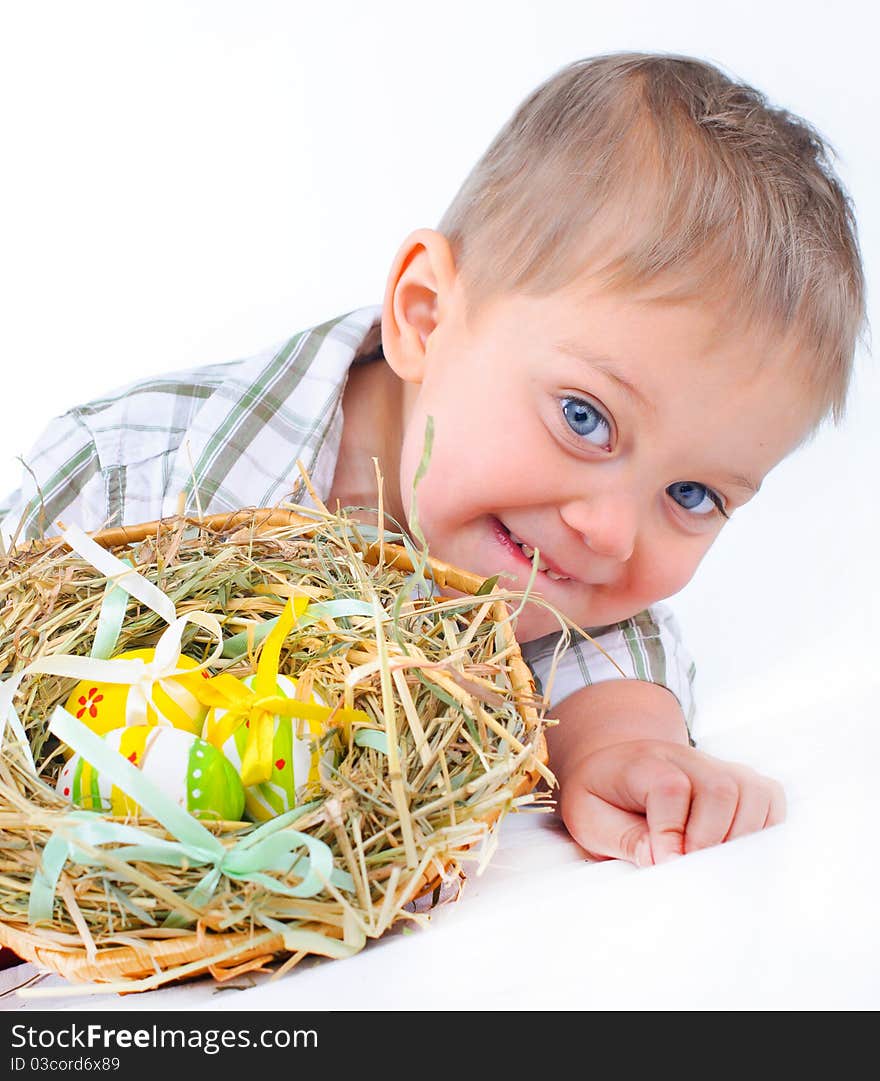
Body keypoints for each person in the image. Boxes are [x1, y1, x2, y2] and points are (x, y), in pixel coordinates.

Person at [0, 53, 865, 869]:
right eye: (583, 417)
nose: (608, 531)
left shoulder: (557, 572)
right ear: (423, 316)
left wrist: (629, 751)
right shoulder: (121, 478)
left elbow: (605, 659)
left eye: (691, 492)